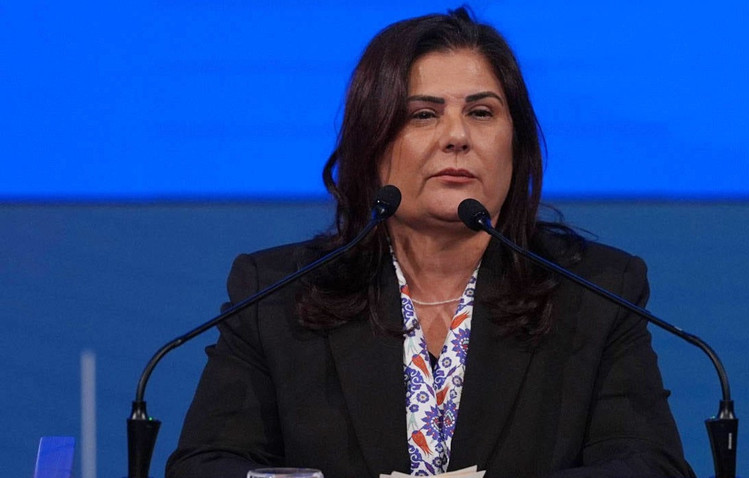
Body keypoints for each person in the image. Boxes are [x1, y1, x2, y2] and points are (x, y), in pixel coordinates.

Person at [166, 7, 695, 478]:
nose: (457, 136)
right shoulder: (278, 295)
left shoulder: (596, 292)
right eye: (424, 114)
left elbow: (649, 464)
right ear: (371, 141)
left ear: (516, 144)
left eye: (481, 112)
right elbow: (206, 464)